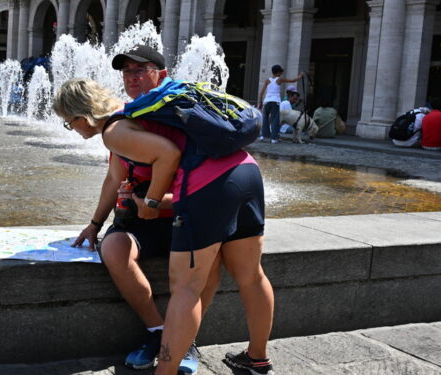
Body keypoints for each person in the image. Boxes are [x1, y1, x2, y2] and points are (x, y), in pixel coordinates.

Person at [54, 78, 274, 375]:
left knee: (186, 288)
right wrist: (96, 223)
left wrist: (153, 202)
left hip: (210, 185)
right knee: (251, 275)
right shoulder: (137, 112)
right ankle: (257, 359)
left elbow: (168, 154)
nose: (73, 129)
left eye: (69, 123)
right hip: (246, 170)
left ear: (82, 116)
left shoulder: (114, 131)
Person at [69, 45, 210, 374]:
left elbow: (199, 175)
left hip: (181, 212)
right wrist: (94, 223)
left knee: (193, 275)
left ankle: (183, 340)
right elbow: (113, 178)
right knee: (114, 248)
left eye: (139, 70)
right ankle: (158, 331)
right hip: (142, 217)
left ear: (160, 74)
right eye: (126, 72)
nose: (131, 77)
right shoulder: (125, 120)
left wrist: (156, 202)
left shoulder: (183, 116)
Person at [258, 65, 303, 143]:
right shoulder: (280, 79)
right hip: (275, 102)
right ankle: (273, 138)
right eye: (281, 72)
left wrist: (260, 102)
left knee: (265, 119)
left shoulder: (267, 80)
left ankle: (263, 136)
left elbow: (261, 93)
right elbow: (293, 80)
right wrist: (300, 76)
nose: (281, 73)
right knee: (275, 120)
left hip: (267, 101)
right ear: (278, 72)